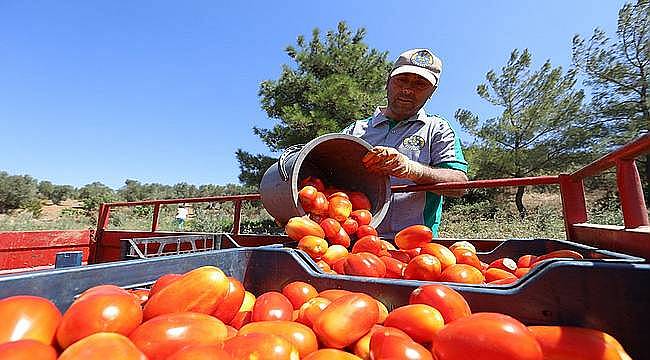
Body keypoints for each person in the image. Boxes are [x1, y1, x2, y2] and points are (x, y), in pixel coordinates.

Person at [342, 48, 468, 238]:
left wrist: (411, 169)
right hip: (354, 242)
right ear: (388, 82)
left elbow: (459, 185)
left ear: (432, 92)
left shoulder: (437, 129)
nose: (408, 89)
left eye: (420, 84)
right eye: (401, 80)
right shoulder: (355, 131)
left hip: (413, 246)